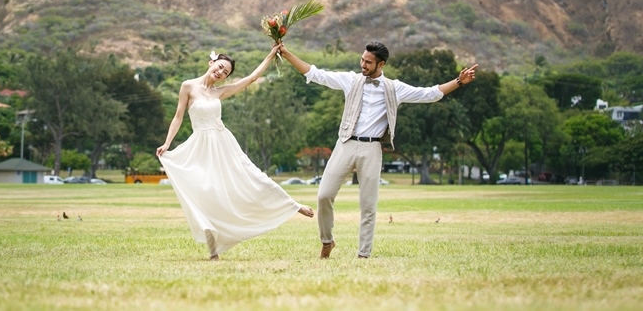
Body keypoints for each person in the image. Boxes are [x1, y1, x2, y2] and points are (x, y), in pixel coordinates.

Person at [279, 41, 477, 259]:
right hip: (345, 143)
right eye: (362, 59)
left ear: (381, 64)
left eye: (368, 62)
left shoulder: (394, 88)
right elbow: (316, 74)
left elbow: (430, 93)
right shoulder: (351, 80)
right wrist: (287, 54)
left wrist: (459, 81)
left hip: (372, 148)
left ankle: (364, 254)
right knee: (324, 195)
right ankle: (327, 241)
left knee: (368, 206)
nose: (363, 64)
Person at [157, 45, 314, 260]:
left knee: (252, 175)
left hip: (223, 144)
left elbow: (251, 78)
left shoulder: (220, 92)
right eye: (220, 67)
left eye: (226, 73)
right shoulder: (188, 87)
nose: (221, 73)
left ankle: (292, 206)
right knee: (207, 196)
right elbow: (178, 117)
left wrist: (270, 55)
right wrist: (167, 143)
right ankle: (213, 253)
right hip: (200, 147)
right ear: (211, 63)